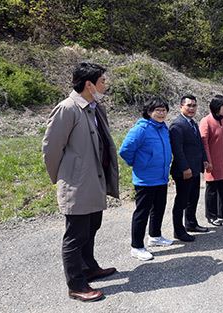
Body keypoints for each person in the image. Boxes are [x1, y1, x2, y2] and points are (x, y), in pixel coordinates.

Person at [42, 62, 119, 302]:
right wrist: (63, 178)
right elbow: (51, 148)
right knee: (75, 235)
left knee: (91, 227)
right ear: (89, 84)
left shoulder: (94, 108)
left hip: (95, 180)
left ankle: (89, 267)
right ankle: (76, 284)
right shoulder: (68, 108)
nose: (105, 85)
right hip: (78, 183)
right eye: (102, 81)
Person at [119, 97, 173, 262]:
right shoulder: (141, 129)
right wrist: (138, 163)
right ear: (149, 112)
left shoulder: (163, 128)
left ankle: (155, 236)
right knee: (142, 213)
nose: (161, 113)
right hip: (145, 179)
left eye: (164, 110)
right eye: (158, 110)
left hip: (161, 177)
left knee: (159, 208)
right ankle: (137, 247)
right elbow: (125, 150)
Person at [169, 95, 211, 241]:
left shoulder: (192, 123)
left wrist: (204, 160)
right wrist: (185, 168)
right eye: (189, 105)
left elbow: (199, 144)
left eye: (194, 105)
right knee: (181, 201)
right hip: (184, 171)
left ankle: (191, 224)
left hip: (195, 168)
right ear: (181, 107)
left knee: (193, 198)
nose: (192, 108)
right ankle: (178, 231)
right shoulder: (177, 125)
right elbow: (177, 150)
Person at [199, 95, 223, 226]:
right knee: (212, 190)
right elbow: (204, 143)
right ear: (216, 107)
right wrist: (208, 161)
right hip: (212, 161)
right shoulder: (206, 121)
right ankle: (211, 215)